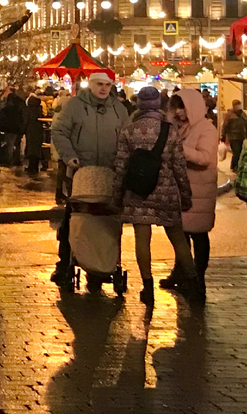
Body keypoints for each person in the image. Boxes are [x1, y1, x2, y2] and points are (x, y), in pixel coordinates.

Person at [112, 86, 199, 305]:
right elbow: (179, 166)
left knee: (142, 239)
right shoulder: (169, 130)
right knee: (178, 238)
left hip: (138, 192)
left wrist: (116, 195)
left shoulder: (129, 130)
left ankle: (147, 287)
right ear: (158, 105)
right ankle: (193, 282)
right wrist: (185, 195)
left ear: (139, 104)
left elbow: (121, 166)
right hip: (167, 193)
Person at [49, 71, 128, 285]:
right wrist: (70, 157)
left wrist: (121, 161)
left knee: (105, 222)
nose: (103, 89)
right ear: (91, 85)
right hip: (80, 172)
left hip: (108, 173)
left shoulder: (119, 110)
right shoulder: (74, 106)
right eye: (99, 84)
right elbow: (59, 132)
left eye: (107, 85)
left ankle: (100, 264)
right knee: (74, 218)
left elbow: (126, 137)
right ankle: (65, 260)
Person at [160, 90, 218, 299]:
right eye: (175, 107)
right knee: (180, 235)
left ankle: (198, 279)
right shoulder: (178, 127)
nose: (178, 112)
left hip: (199, 190)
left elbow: (204, 157)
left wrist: (178, 148)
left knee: (199, 235)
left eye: (182, 107)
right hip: (181, 189)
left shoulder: (206, 128)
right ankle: (182, 273)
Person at [0, 88, 26, 167]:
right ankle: (17, 159)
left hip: (9, 128)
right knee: (17, 144)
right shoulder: (19, 107)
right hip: (17, 128)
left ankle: (9, 159)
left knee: (9, 144)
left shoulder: (6, 108)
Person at [24, 92, 46, 177]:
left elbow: (26, 120)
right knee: (37, 148)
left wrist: (23, 129)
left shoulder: (28, 110)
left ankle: (31, 167)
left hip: (30, 130)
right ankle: (35, 167)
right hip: (38, 130)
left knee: (30, 148)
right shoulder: (39, 109)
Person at [222, 99, 246, 170]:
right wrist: (223, 136)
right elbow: (225, 126)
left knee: (241, 152)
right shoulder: (229, 115)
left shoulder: (242, 114)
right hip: (233, 137)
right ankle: (234, 166)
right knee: (236, 152)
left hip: (242, 136)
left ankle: (238, 166)